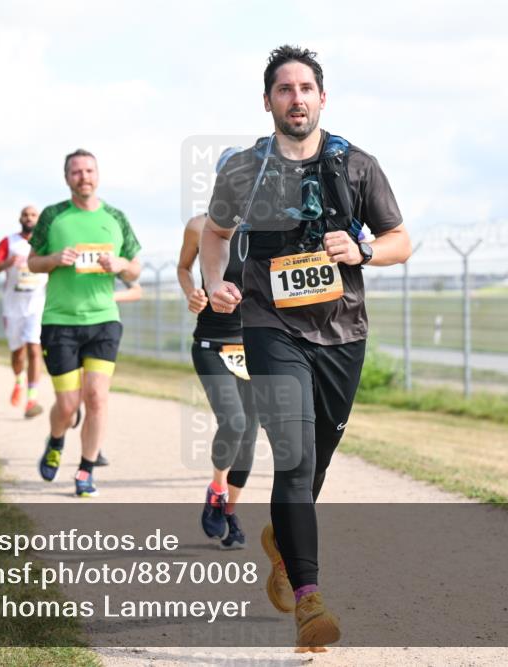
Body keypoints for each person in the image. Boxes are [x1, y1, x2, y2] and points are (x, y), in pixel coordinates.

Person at [201, 45, 411, 649]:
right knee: (292, 453)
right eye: (284, 89)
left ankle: (282, 540)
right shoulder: (242, 169)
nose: (296, 98)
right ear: (267, 100)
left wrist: (364, 250)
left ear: (322, 98)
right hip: (270, 326)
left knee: (313, 463)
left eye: (305, 88)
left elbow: (401, 239)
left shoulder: (357, 165)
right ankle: (309, 601)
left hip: (344, 332)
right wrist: (216, 282)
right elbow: (216, 236)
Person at [29, 148, 142, 497]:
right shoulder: (52, 216)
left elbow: (135, 269)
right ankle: (56, 438)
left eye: (89, 170)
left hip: (103, 320)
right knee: (67, 405)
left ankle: (85, 470)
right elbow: (32, 263)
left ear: (98, 175)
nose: (84, 177)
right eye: (76, 172)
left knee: (96, 397)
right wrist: (53, 258)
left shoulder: (115, 217)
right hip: (60, 322)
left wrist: (120, 265)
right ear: (67, 179)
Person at [178, 148, 259, 550]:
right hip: (211, 342)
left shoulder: (267, 227)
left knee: (251, 435)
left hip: (256, 347)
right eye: (231, 173)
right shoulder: (199, 225)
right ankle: (216, 489)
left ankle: (230, 513)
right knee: (235, 422)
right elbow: (183, 267)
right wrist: (193, 291)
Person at [0, 206, 48, 419]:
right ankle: (19, 380)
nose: (29, 218)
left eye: (33, 215)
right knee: (17, 352)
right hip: (13, 306)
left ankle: (32, 399)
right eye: (26, 215)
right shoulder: (9, 242)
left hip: (37, 304)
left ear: (39, 220)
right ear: (20, 218)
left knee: (33, 348)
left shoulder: (46, 242)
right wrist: (6, 263)